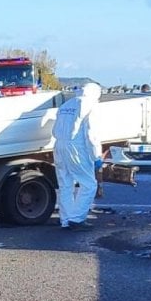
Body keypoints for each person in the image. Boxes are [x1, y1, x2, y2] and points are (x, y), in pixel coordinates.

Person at [53, 83, 101, 229]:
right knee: (89, 184)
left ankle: (65, 219)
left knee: (65, 184)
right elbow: (91, 134)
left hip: (59, 145)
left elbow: (55, 129)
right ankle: (77, 218)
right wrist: (96, 156)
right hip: (77, 147)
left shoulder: (66, 105)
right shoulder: (90, 106)